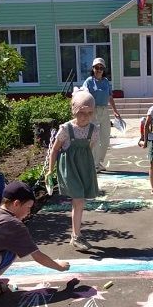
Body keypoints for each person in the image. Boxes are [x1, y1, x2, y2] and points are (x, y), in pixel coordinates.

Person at [47, 88, 100, 251]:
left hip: (84, 167)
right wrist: (51, 170)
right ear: (74, 110)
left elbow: (89, 148)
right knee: (78, 200)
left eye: (88, 113)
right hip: (69, 169)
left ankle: (75, 236)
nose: (84, 117)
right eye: (80, 113)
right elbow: (55, 149)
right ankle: (76, 236)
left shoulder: (94, 129)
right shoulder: (66, 129)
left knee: (80, 201)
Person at [82, 57, 122, 172]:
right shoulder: (89, 81)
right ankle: (94, 164)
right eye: (96, 67)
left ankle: (98, 161)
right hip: (93, 111)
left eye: (101, 68)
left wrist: (115, 110)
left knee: (105, 138)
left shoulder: (105, 82)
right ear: (93, 68)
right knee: (95, 138)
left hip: (104, 111)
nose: (98, 70)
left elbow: (110, 97)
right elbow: (84, 95)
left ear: (103, 69)